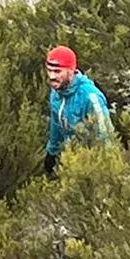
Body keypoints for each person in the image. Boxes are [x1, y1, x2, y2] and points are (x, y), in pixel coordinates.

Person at [42, 45, 114, 175]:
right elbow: (56, 124)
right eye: (49, 70)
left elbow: (105, 136)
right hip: (69, 160)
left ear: (71, 70)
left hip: (91, 164)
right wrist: (51, 153)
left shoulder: (90, 97)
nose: (52, 76)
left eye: (57, 71)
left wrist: (106, 169)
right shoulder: (56, 92)